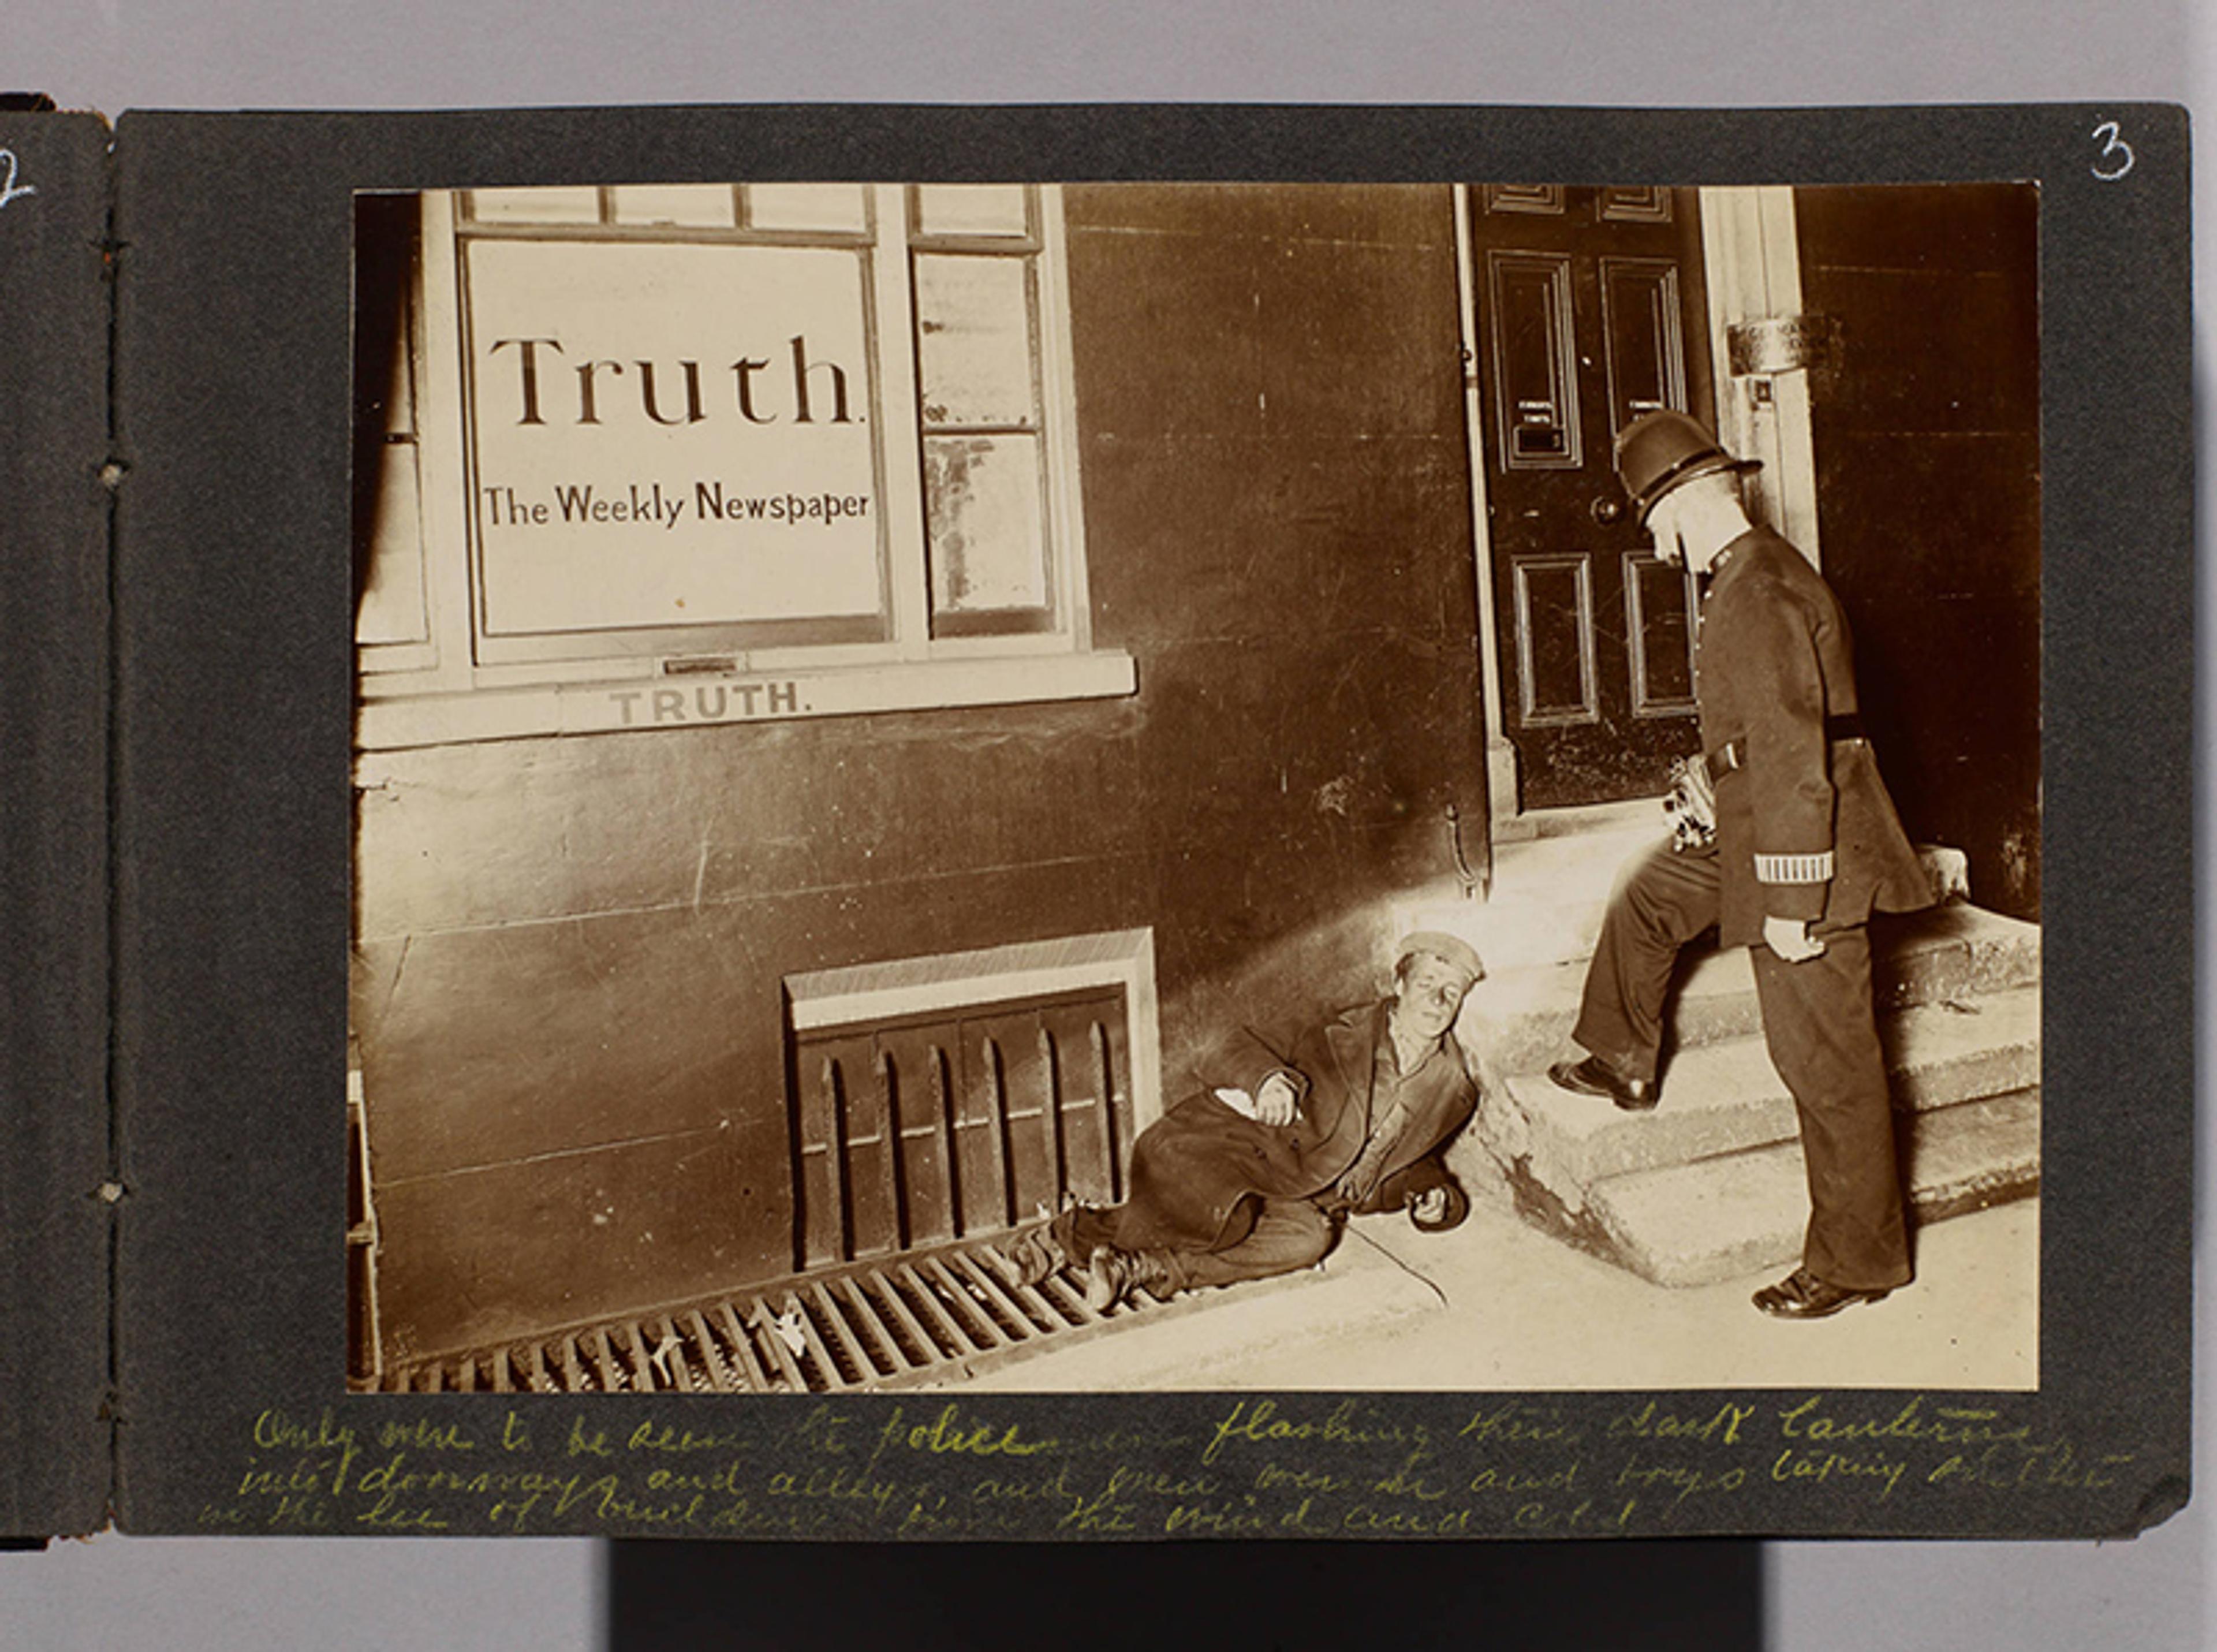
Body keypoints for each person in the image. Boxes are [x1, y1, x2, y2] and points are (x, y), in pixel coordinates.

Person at [1547, 410, 1932, 1321]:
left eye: (1650, 524)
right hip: (1760, 819)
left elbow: (1800, 757)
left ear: (1680, 505)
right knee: (1651, 891)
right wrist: (1710, 781)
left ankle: (1856, 1261)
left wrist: (1795, 902)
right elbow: (1768, 734)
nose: (1652, 543)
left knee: (1825, 1063)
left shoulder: (1755, 591)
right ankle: (1622, 1057)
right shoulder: (1752, 575)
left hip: (1808, 851)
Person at [1005, 933, 1485, 1311]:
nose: (1438, 1001)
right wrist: (1268, 1081)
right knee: (1222, 1219)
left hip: (1310, 1195)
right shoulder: (1338, 1025)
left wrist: (1439, 1198)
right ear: (1399, 985)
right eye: (1426, 985)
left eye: (1451, 992)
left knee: (1310, 1240)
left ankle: (1141, 1269)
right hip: (1250, 1151)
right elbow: (1225, 1045)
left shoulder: (1453, 1088)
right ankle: (1064, 1237)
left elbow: (1415, 1161)